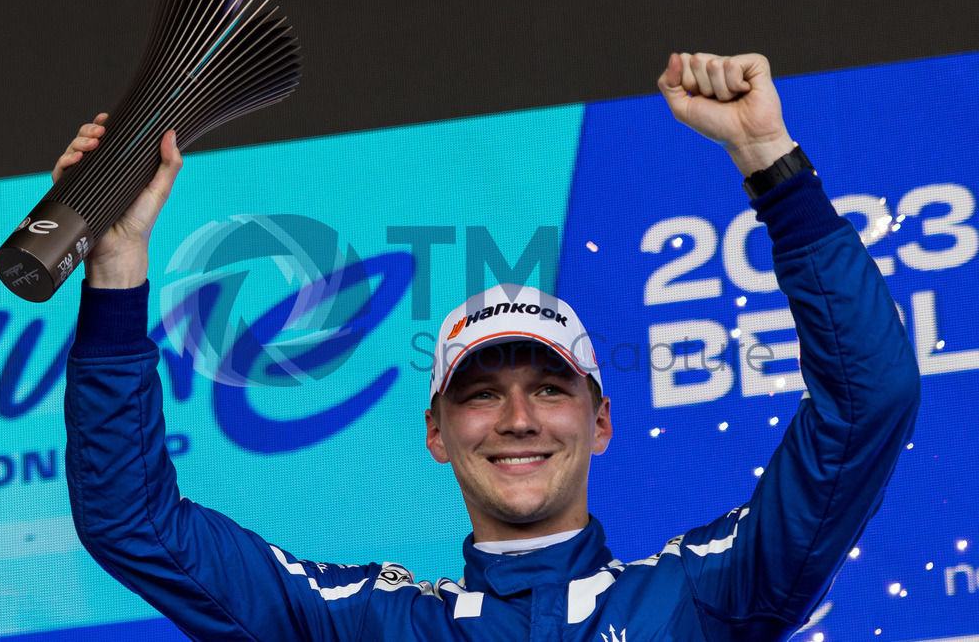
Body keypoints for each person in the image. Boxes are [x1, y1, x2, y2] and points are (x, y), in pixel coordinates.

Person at [62, 53, 921, 640]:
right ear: (436, 432)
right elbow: (133, 522)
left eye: (550, 387)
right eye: (480, 392)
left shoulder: (706, 594)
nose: (516, 417)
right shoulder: (365, 622)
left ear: (602, 419)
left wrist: (768, 158)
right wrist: (117, 262)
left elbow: (870, 397)